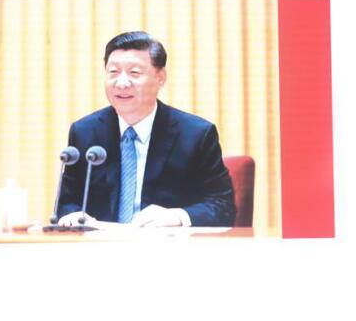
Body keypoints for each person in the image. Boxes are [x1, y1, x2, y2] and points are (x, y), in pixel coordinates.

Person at [55, 31, 235, 228]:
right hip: (100, 242)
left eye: (134, 73)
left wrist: (177, 216)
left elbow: (222, 206)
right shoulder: (85, 132)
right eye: (113, 72)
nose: (122, 83)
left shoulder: (195, 134)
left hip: (166, 243)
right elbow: (66, 201)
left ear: (160, 78)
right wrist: (72, 215)